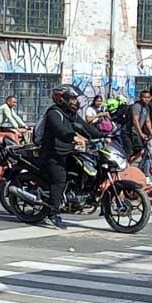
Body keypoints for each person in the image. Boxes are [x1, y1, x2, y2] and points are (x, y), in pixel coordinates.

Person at [36, 85, 94, 230]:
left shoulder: (71, 114)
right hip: (53, 153)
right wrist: (72, 136)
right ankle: (53, 214)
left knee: (83, 169)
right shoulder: (54, 113)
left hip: (67, 151)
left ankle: (75, 197)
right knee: (59, 179)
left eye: (75, 99)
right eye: (72, 99)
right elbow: (59, 129)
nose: (75, 102)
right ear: (61, 99)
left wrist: (106, 135)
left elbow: (86, 127)